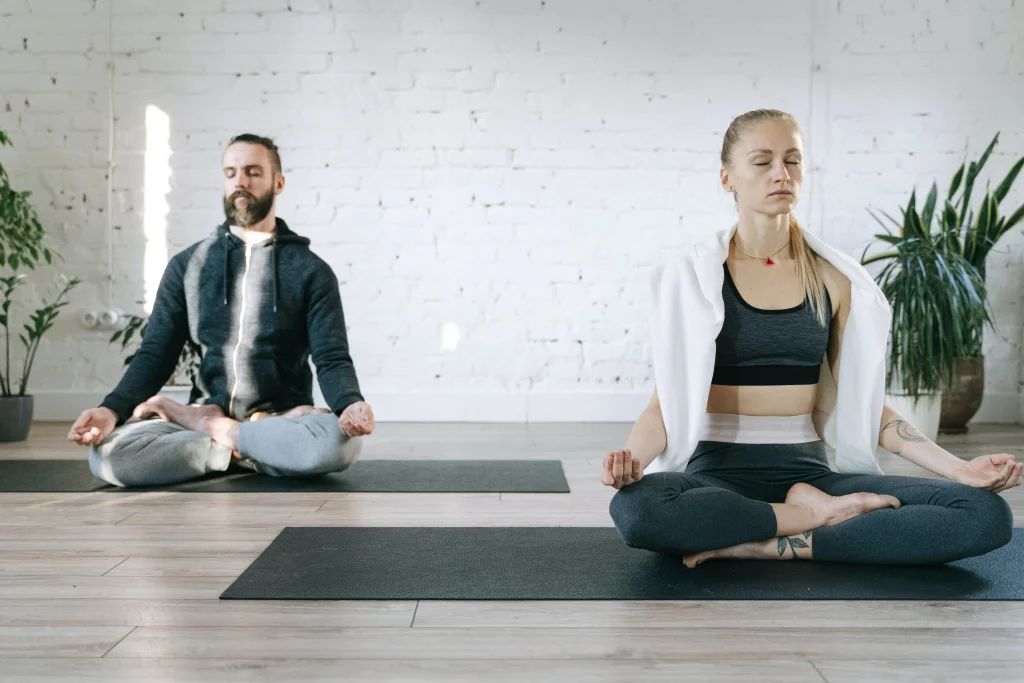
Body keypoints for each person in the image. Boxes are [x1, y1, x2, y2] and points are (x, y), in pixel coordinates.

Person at [603, 109, 1019, 566]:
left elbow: (864, 403)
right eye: (762, 161)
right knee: (637, 509)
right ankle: (803, 519)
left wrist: (961, 469)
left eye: (793, 160)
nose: (781, 174)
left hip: (813, 477)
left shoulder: (833, 279)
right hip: (715, 480)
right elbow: (663, 408)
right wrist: (633, 462)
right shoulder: (692, 279)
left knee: (983, 514)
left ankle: (768, 540)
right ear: (728, 178)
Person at [68, 134, 375, 486]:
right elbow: (155, 353)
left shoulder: (311, 271)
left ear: (278, 182)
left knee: (337, 445)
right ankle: (247, 448)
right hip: (207, 413)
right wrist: (110, 410)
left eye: (253, 171)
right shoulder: (188, 266)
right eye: (231, 172)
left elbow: (332, 357)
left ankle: (220, 436)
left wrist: (349, 403)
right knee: (109, 457)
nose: (240, 181)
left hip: (280, 418)